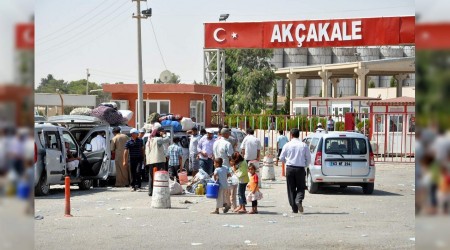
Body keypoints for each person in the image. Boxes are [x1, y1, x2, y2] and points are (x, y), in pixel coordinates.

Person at [279, 128, 312, 214]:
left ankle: (294, 208)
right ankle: (299, 200)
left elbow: (281, 158)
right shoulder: (303, 145)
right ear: (299, 135)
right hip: (300, 168)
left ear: (291, 135)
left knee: (291, 188)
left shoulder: (287, 145)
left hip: (290, 168)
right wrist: (304, 165)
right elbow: (308, 159)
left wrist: (288, 162)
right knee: (301, 187)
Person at [213, 128, 235, 209]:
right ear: (226, 134)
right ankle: (227, 203)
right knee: (226, 187)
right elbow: (231, 157)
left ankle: (221, 204)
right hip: (225, 167)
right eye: (228, 133)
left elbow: (214, 155)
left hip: (216, 167)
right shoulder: (227, 144)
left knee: (218, 187)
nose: (229, 135)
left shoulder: (215, 143)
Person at [147, 127, 171, 196]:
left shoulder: (150, 139)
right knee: (160, 176)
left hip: (151, 160)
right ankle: (160, 191)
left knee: (151, 176)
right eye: (163, 131)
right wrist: (164, 135)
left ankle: (150, 191)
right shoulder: (158, 139)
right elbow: (167, 139)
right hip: (159, 160)